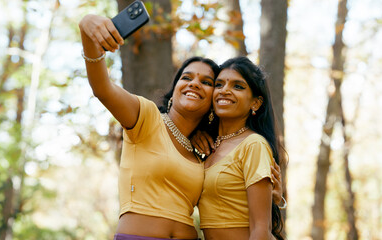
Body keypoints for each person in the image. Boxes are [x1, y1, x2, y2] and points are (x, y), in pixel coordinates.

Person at [79, 14, 283, 240]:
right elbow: (102, 88)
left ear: (212, 101)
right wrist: (87, 28)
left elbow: (228, 201)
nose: (195, 83)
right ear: (174, 89)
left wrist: (271, 197)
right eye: (187, 77)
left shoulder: (205, 152)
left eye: (206, 82)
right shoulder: (146, 117)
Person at [192, 56, 286, 240]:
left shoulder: (253, 145)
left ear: (256, 103)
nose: (225, 91)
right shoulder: (206, 146)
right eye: (219, 85)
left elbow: (261, 229)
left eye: (238, 86)